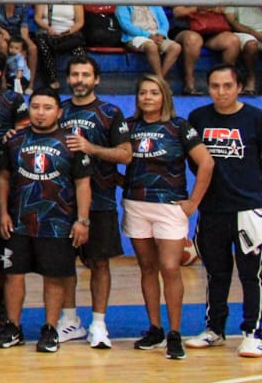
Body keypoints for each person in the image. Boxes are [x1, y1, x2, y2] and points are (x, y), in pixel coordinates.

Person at [121, 74, 212, 360]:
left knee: (170, 267)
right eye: (143, 92)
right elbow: (114, 159)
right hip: (136, 205)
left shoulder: (178, 126)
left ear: (164, 97)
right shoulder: (129, 126)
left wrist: (193, 202)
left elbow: (207, 162)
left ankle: (175, 332)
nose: (147, 97)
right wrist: (122, 185)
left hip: (170, 206)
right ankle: (155, 329)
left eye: (154, 92)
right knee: (147, 268)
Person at [0, 87, 92, 353]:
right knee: (13, 275)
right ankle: (13, 327)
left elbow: (83, 184)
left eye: (47, 108)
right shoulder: (14, 141)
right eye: (35, 107)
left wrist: (82, 220)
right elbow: (3, 178)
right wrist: (2, 212)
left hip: (58, 222)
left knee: (54, 276)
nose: (40, 113)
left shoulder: (71, 142)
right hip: (18, 221)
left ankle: (50, 329)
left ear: (58, 112)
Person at [187, 64, 262, 356]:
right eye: (215, 86)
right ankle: (214, 330)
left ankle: (253, 332)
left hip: (249, 209)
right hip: (212, 210)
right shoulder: (198, 117)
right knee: (216, 272)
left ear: (239, 87)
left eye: (227, 86)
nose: (221, 92)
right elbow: (195, 162)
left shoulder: (255, 119)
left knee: (252, 275)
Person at [59, 53, 131, 349]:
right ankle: (69, 320)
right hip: (60, 202)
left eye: (85, 75)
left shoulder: (110, 113)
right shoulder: (57, 111)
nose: (79, 80)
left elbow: (126, 154)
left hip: (100, 200)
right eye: (75, 75)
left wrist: (92, 148)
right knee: (63, 265)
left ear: (96, 79)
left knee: (99, 263)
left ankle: (99, 324)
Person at [170, 0, 241, 95]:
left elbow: (220, 9)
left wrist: (197, 1)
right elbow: (178, 12)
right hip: (185, 29)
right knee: (193, 39)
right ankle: (189, 82)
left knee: (233, 40)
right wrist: (200, 5)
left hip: (210, 30)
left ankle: (227, 80)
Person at [116, 0, 179, 79]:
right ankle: (161, 82)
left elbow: (164, 22)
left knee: (176, 47)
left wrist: (161, 34)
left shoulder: (152, 0)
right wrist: (148, 36)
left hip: (157, 36)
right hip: (135, 37)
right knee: (151, 46)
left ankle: (159, 79)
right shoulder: (123, 1)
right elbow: (126, 25)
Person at [31, 0, 86, 89]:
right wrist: (49, 29)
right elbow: (37, 18)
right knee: (44, 47)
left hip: (68, 34)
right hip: (48, 32)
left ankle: (78, 80)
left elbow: (79, 22)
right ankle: (52, 80)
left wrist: (67, 32)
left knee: (79, 52)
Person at [219, 0, 262, 94]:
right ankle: (250, 77)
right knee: (251, 45)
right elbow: (232, 22)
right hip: (243, 32)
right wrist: (255, 34)